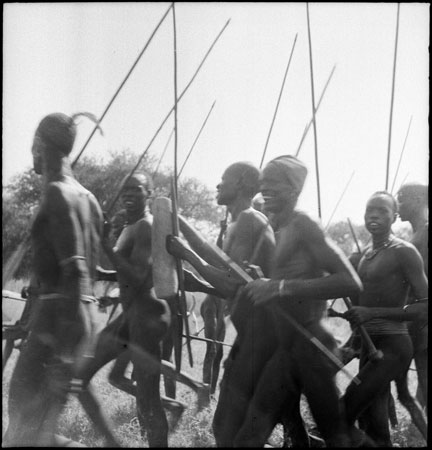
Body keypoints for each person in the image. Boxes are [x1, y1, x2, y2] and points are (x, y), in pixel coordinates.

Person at [213, 155, 363, 447]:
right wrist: (264, 280)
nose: (264, 189)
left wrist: (279, 287)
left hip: (312, 347)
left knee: (338, 437)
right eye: (263, 183)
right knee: (248, 437)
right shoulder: (276, 227)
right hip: (286, 351)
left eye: (274, 184)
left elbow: (349, 281)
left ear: (294, 190)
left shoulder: (304, 224)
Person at [3, 112, 106, 446]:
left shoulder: (57, 193)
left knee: (21, 416)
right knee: (38, 424)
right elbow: (88, 271)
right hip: (82, 314)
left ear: (37, 144)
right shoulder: (90, 199)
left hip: (59, 317)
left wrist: (62, 351)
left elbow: (74, 270)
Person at [341, 191, 428, 447]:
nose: (374, 215)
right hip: (369, 345)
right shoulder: (364, 255)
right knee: (375, 425)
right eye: (370, 210)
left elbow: (425, 305)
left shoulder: (404, 251)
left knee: (341, 412)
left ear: (395, 216)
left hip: (394, 344)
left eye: (382, 211)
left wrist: (372, 313)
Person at [201, 161, 275, 394]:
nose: (218, 185)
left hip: (265, 331)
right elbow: (231, 279)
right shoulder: (238, 222)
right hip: (252, 330)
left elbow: (232, 284)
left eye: (223, 180)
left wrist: (188, 253)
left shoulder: (249, 220)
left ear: (241, 184)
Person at [397, 182, 428, 410]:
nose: (398, 204)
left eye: (401, 197)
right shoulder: (417, 234)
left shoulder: (426, 232)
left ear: (418, 200)